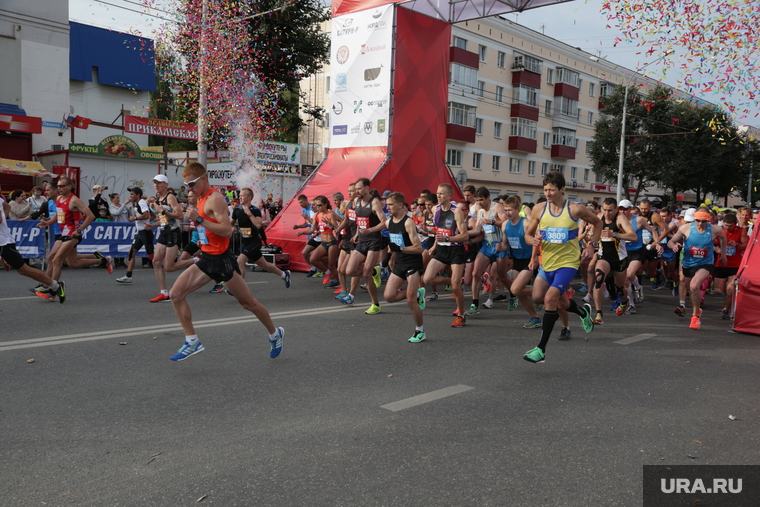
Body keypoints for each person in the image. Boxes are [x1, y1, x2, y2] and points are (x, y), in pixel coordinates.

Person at [168, 162, 284, 361]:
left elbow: (227, 231)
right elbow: (209, 228)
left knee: (249, 304)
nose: (189, 189)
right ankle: (192, 340)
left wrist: (199, 220)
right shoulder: (200, 198)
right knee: (176, 294)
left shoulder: (216, 199)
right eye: (186, 185)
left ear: (204, 178)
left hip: (223, 260)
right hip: (206, 258)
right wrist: (196, 228)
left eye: (192, 184)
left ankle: (275, 333)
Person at [522, 172, 601, 364]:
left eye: (552, 190)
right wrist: (532, 239)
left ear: (561, 189)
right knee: (538, 297)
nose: (548, 193)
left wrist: (592, 246)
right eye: (545, 189)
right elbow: (528, 234)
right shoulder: (539, 209)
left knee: (550, 298)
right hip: (547, 263)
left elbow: (598, 223)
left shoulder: (574, 209)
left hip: (568, 263)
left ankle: (541, 349)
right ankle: (583, 312)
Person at [44, 177, 112, 291]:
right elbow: (60, 214)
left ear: (70, 186)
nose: (59, 188)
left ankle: (54, 289)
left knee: (56, 260)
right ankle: (103, 261)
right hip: (63, 234)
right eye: (58, 186)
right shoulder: (59, 199)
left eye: (62, 186)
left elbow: (90, 216)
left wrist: (79, 229)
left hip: (72, 235)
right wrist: (48, 222)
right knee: (73, 264)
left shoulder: (74, 200)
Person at [668, 207, 727, 329]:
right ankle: (697, 310)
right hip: (689, 263)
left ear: (709, 220)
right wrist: (674, 245)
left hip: (705, 263)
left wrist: (723, 255)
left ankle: (695, 317)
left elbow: (723, 237)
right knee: (692, 289)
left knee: (694, 286)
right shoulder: (685, 228)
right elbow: (670, 241)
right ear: (694, 219)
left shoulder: (715, 229)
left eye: (704, 221)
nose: (701, 223)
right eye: (698, 220)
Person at [423, 183, 470, 327]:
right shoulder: (435, 209)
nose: (438, 196)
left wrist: (448, 239)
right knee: (427, 278)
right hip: (442, 249)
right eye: (437, 193)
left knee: (456, 287)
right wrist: (433, 243)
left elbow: (465, 236)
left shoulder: (457, 211)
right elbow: (439, 231)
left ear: (449, 196)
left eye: (442, 194)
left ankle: (461, 315)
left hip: (455, 249)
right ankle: (455, 282)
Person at [1, 198, 66, 302]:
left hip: (3, 242)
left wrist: (3, 219)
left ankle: (56, 285)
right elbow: (7, 207)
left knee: (24, 270)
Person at [382, 192, 427, 342]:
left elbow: (418, 248)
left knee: (410, 300)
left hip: (413, 263)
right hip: (400, 262)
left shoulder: (408, 222)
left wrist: (400, 249)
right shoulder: (389, 222)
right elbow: (393, 244)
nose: (387, 207)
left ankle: (420, 331)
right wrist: (391, 257)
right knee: (389, 296)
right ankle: (418, 294)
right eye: (387, 204)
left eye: (390, 204)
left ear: (400, 205)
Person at [230, 187, 290, 289]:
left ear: (249, 197)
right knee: (263, 265)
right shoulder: (237, 210)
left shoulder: (255, 210)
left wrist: (248, 213)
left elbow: (258, 225)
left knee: (240, 261)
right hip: (246, 242)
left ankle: (238, 288)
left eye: (242, 195)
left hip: (255, 241)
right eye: (239, 195)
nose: (240, 197)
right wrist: (231, 228)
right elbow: (230, 223)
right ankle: (284, 274)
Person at [497, 195, 542, 328]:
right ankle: (535, 316)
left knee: (515, 289)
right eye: (505, 210)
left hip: (529, 260)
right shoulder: (505, 225)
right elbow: (505, 245)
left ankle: (546, 293)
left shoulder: (526, 223)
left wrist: (534, 259)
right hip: (517, 261)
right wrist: (501, 247)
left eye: (510, 210)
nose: (507, 213)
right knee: (518, 291)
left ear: (517, 209)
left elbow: (536, 241)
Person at [343, 178, 387, 314]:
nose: (357, 191)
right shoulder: (356, 202)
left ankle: (375, 304)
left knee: (366, 274)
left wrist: (371, 230)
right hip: (362, 240)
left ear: (367, 188)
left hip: (374, 240)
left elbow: (384, 222)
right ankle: (375, 271)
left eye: (360, 188)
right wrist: (357, 233)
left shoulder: (374, 202)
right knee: (349, 271)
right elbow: (359, 221)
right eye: (356, 189)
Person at [590, 198, 638, 322]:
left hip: (619, 258)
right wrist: (590, 241)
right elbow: (593, 234)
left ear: (616, 209)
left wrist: (615, 234)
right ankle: (599, 314)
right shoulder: (599, 217)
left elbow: (633, 236)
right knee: (599, 279)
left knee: (620, 287)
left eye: (610, 210)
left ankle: (624, 301)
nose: (607, 213)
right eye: (605, 210)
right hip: (604, 256)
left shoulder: (620, 218)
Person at [466, 187, 509, 316]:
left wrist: (491, 221)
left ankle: (513, 295)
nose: (479, 203)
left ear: (488, 197)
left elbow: (506, 222)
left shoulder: (496, 207)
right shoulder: (479, 212)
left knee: (501, 276)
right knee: (475, 273)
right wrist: (463, 235)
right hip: (486, 245)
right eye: (477, 200)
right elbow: (478, 231)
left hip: (499, 244)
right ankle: (475, 304)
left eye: (481, 200)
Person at [145, 174, 183, 302]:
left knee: (169, 267)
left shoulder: (170, 197)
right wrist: (152, 225)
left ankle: (196, 260)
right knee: (156, 262)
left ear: (166, 184)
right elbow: (163, 219)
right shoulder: (157, 198)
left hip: (173, 233)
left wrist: (163, 211)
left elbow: (180, 216)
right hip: (163, 232)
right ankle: (164, 293)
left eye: (159, 183)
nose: (156, 185)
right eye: (155, 182)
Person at [116, 186, 154, 283]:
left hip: (146, 233)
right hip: (140, 233)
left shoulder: (141, 202)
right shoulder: (138, 204)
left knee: (152, 256)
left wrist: (135, 219)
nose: (130, 196)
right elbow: (151, 215)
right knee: (131, 253)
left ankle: (167, 265)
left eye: (132, 194)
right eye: (130, 194)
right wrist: (149, 222)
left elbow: (146, 215)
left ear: (138, 195)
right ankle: (128, 276)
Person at [714, 213, 747, 319]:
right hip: (721, 264)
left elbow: (746, 246)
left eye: (730, 226)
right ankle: (727, 297)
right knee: (718, 291)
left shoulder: (741, 231)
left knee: (730, 289)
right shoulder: (719, 231)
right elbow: (712, 243)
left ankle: (725, 310)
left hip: (735, 265)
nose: (728, 228)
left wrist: (737, 245)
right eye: (726, 225)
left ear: (735, 224)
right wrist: (716, 248)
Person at [292, 194, 321, 277]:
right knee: (305, 253)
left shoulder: (313, 210)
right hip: (311, 233)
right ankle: (313, 268)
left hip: (319, 234)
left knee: (315, 254)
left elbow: (315, 224)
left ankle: (322, 270)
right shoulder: (304, 210)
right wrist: (298, 227)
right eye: (299, 203)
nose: (300, 204)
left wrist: (307, 218)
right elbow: (307, 224)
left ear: (306, 200)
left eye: (301, 202)